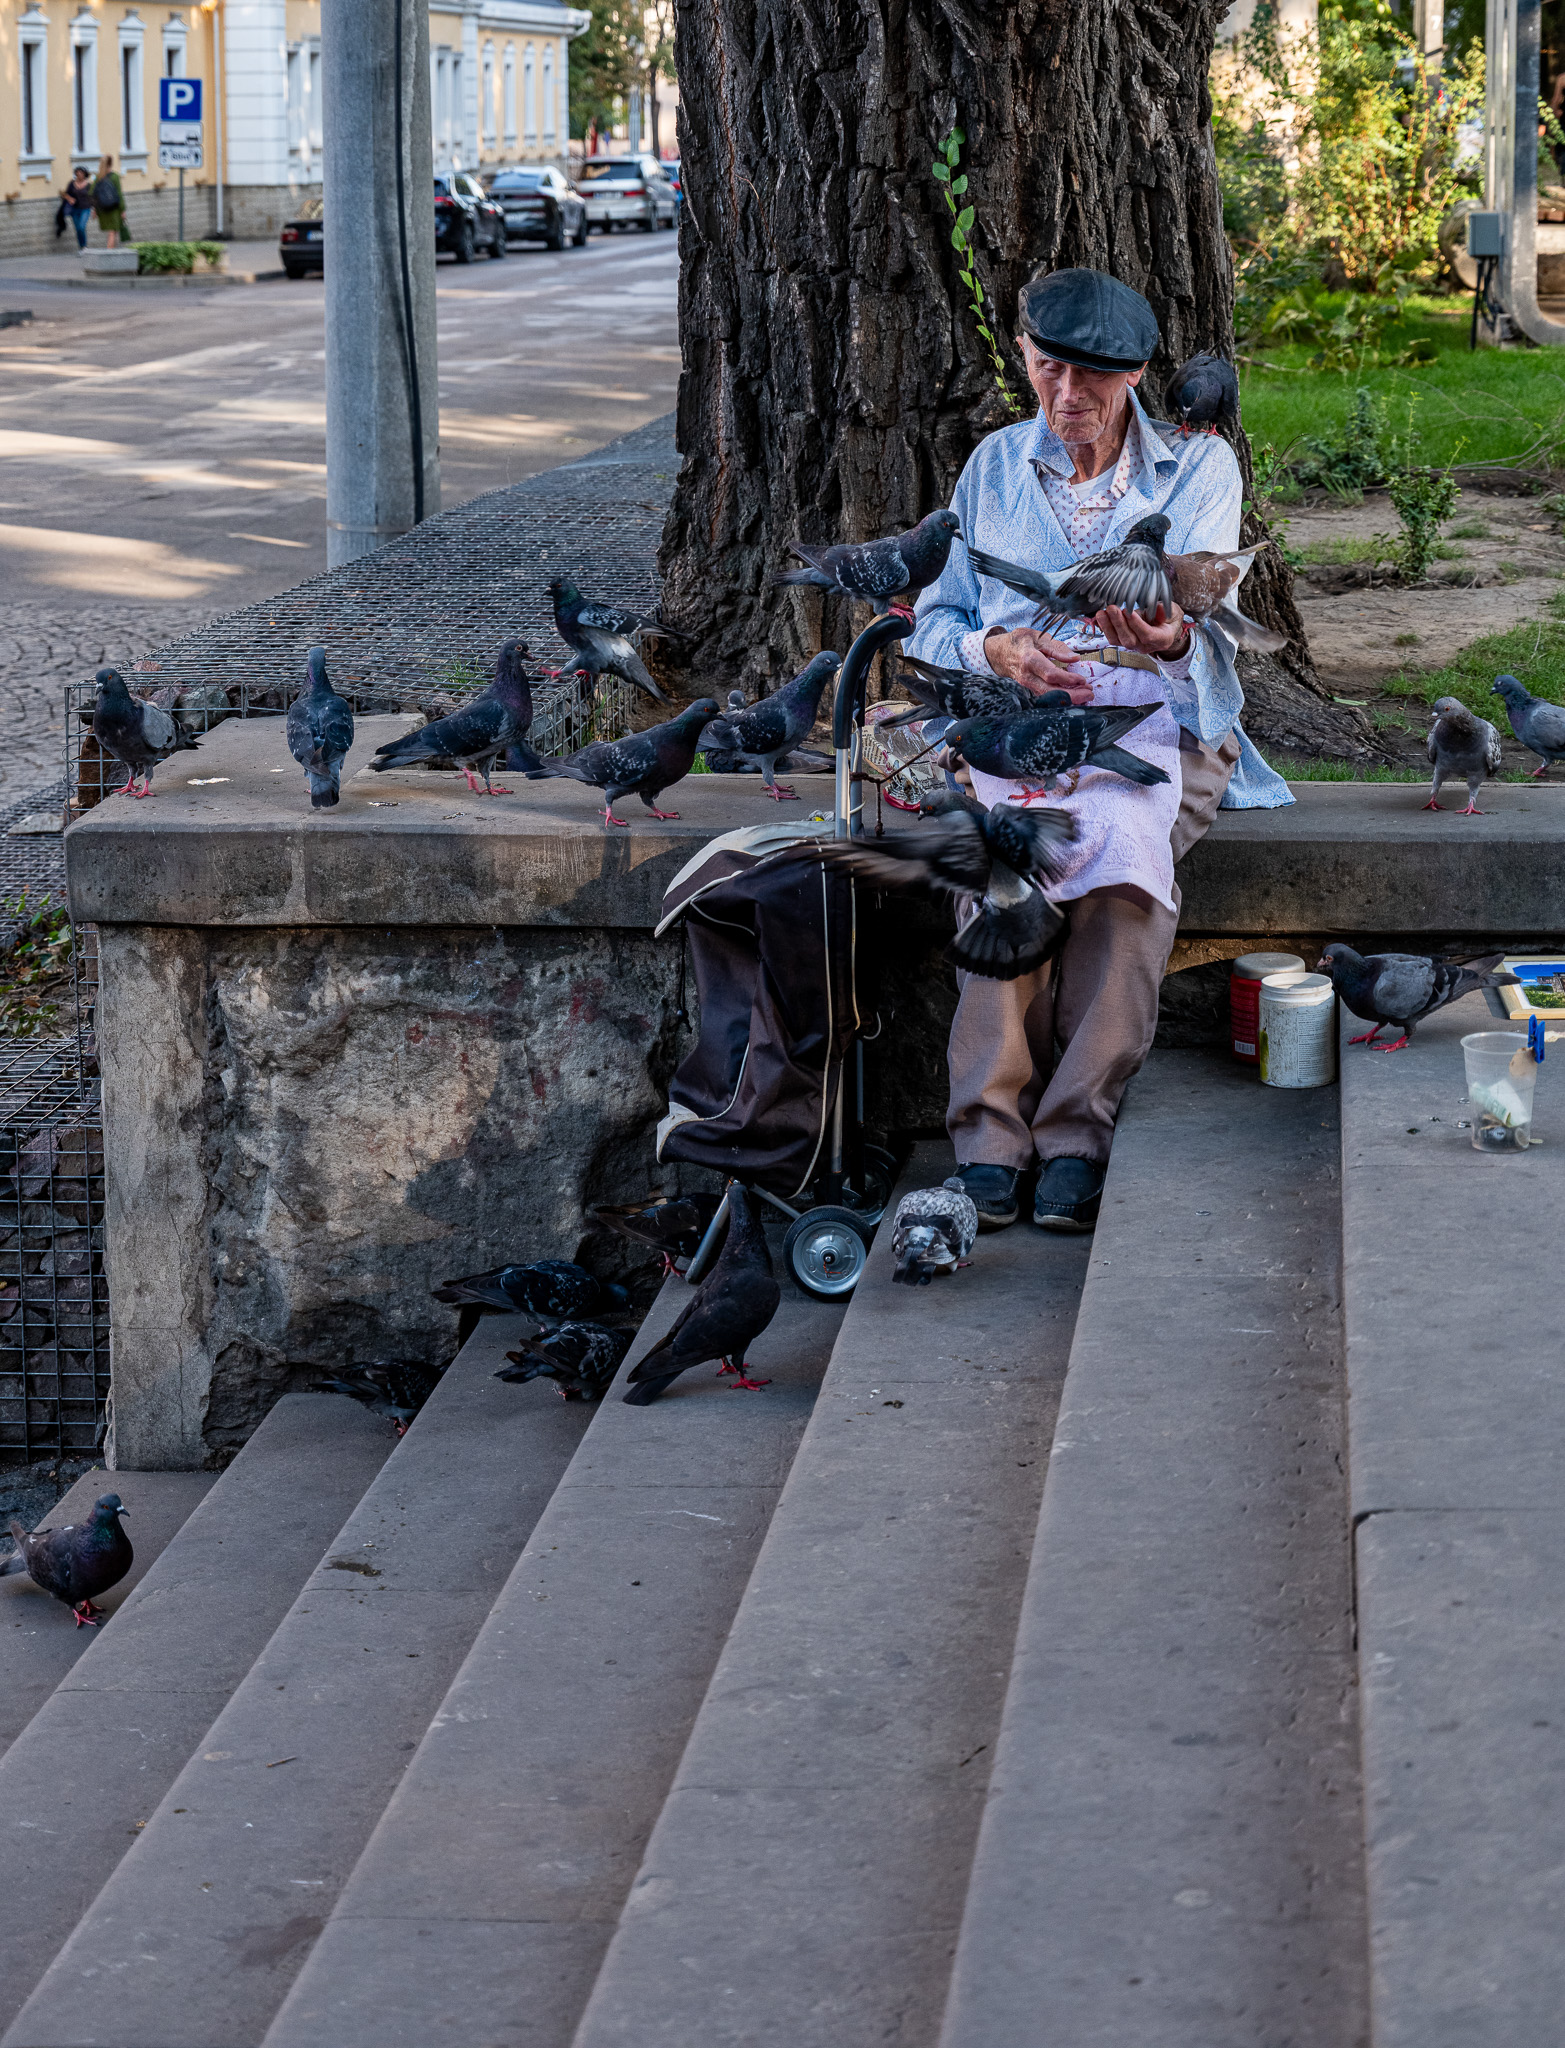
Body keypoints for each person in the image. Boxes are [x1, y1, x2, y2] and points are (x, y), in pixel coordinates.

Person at [910, 266, 1292, 1235]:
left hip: (1154, 720)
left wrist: (1166, 640)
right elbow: (935, 621)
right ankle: (988, 1139)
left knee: (1121, 856)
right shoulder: (992, 465)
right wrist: (995, 649)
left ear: (1133, 377)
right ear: (1023, 355)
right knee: (1003, 867)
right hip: (1016, 722)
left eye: (1092, 376)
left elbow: (1207, 632)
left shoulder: (1197, 468)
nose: (1066, 393)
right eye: (1048, 368)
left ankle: (1075, 1132)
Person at [92, 156, 125, 249]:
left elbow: (92, 193)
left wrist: (95, 209)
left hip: (102, 209)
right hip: (114, 208)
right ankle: (109, 253)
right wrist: (122, 210)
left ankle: (112, 251)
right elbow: (119, 194)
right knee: (112, 232)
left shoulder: (97, 178)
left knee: (112, 232)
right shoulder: (115, 176)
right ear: (111, 163)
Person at [61, 167, 94, 250]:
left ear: (85, 174)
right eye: (77, 173)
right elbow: (64, 194)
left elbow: (92, 197)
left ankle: (84, 246)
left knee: (81, 227)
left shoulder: (89, 185)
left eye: (81, 173)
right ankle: (81, 247)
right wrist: (69, 199)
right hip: (74, 210)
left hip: (85, 209)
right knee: (78, 229)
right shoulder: (71, 184)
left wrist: (95, 209)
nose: (79, 174)